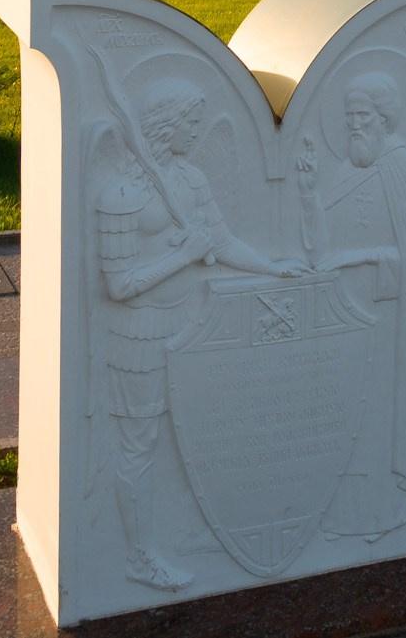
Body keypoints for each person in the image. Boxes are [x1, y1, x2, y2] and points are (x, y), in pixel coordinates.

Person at [96, 76, 299, 590]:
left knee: (193, 430)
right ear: (166, 124)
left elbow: (224, 241)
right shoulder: (119, 194)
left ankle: (188, 529)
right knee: (141, 443)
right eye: (190, 122)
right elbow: (119, 285)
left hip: (191, 325)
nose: (197, 131)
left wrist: (272, 268)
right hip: (138, 337)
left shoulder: (190, 181)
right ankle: (137, 555)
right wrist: (181, 255)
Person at [296, 73, 406, 541]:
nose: (353, 126)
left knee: (374, 418)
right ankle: (339, 512)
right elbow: (318, 253)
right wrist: (309, 192)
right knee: (341, 420)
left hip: (386, 325)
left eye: (362, 116)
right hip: (341, 323)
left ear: (385, 119)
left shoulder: (404, 169)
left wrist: (360, 257)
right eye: (348, 117)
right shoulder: (346, 171)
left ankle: (381, 515)